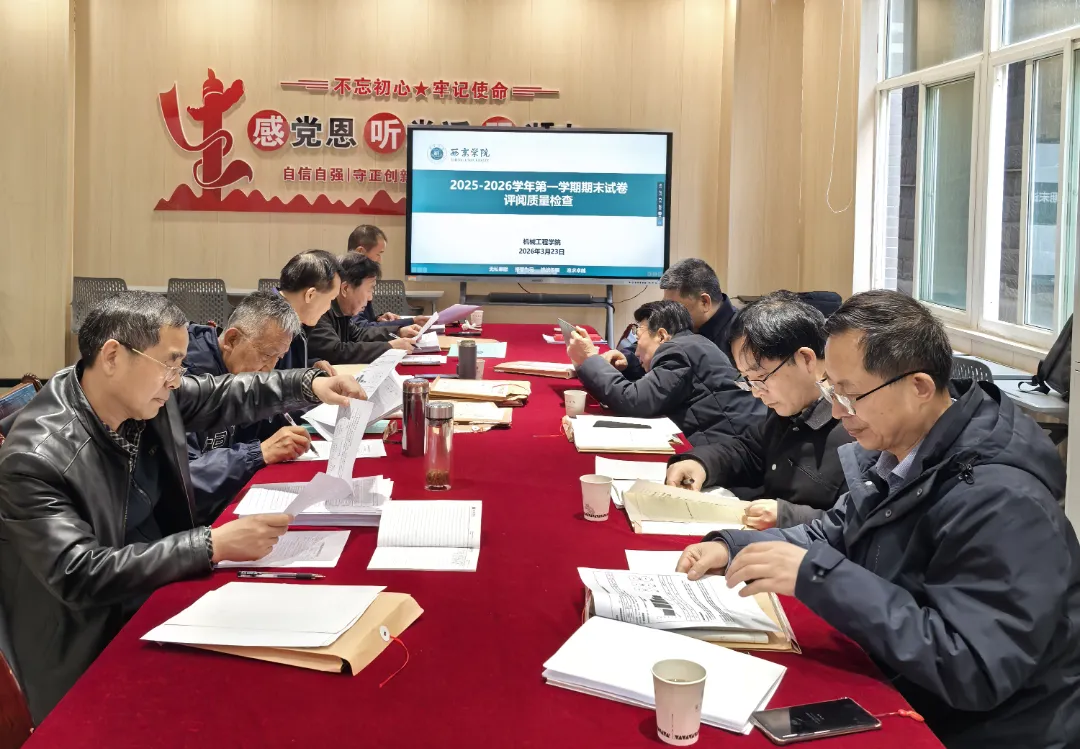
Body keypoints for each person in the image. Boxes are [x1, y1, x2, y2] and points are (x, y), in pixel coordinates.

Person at [676, 290, 1080, 749]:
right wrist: (733, 546)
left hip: (981, 730)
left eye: (850, 395)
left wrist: (820, 577)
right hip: (908, 686)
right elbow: (831, 531)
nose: (836, 411)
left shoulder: (1003, 500)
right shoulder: (900, 454)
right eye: (831, 390)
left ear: (919, 387)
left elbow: (974, 668)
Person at [0, 292, 366, 723]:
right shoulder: (35, 459)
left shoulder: (135, 393)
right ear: (113, 356)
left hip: (150, 587)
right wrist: (210, 544)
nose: (177, 381)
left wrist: (308, 385)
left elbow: (223, 393)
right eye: (171, 365)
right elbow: (80, 574)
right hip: (87, 642)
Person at [666, 292, 854, 528]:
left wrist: (788, 516)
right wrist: (700, 464)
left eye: (761, 378)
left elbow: (861, 524)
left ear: (806, 359)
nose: (756, 393)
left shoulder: (855, 426)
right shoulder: (790, 407)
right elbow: (750, 451)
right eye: (748, 381)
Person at [184, 292, 316, 522]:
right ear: (232, 339)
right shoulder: (186, 381)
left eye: (278, 357)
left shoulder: (240, 370)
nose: (270, 368)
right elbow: (185, 481)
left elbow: (266, 421)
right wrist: (257, 454)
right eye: (266, 355)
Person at [567, 300, 765, 447]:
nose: (636, 351)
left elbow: (634, 401)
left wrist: (590, 358)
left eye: (638, 336)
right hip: (735, 438)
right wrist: (624, 365)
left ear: (661, 335)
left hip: (732, 448)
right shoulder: (691, 344)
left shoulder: (678, 350)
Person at [605, 259, 739, 380]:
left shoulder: (743, 335)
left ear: (704, 302)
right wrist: (625, 359)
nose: (669, 311)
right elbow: (649, 346)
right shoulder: (678, 322)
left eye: (676, 306)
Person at [306, 253, 419, 364]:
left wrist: (398, 332)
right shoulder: (321, 310)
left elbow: (358, 335)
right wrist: (388, 347)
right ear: (345, 288)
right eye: (370, 289)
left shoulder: (342, 310)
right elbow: (335, 352)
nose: (370, 298)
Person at [347, 224, 429, 329]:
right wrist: (409, 322)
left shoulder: (361, 278)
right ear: (360, 252)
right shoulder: (351, 281)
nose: (380, 260)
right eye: (378, 254)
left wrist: (378, 319)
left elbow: (363, 322)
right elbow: (361, 328)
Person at [275, 249, 344, 370]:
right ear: (310, 295)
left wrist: (310, 365)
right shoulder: (269, 324)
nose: (329, 307)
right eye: (331, 299)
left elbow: (284, 368)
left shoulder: (287, 315)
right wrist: (305, 377)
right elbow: (260, 378)